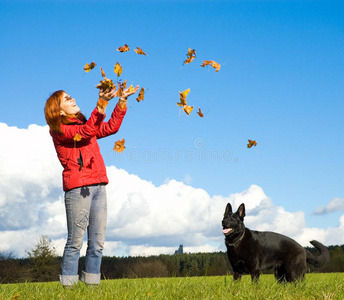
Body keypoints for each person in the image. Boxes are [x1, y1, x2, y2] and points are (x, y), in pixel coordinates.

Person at [44, 84, 138, 286]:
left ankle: (92, 287)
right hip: (78, 188)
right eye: (66, 99)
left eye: (70, 95)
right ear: (59, 111)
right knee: (75, 241)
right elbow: (86, 132)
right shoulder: (60, 130)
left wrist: (121, 101)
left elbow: (110, 127)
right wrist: (102, 103)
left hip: (99, 185)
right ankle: (69, 287)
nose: (72, 99)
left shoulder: (85, 126)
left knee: (97, 243)